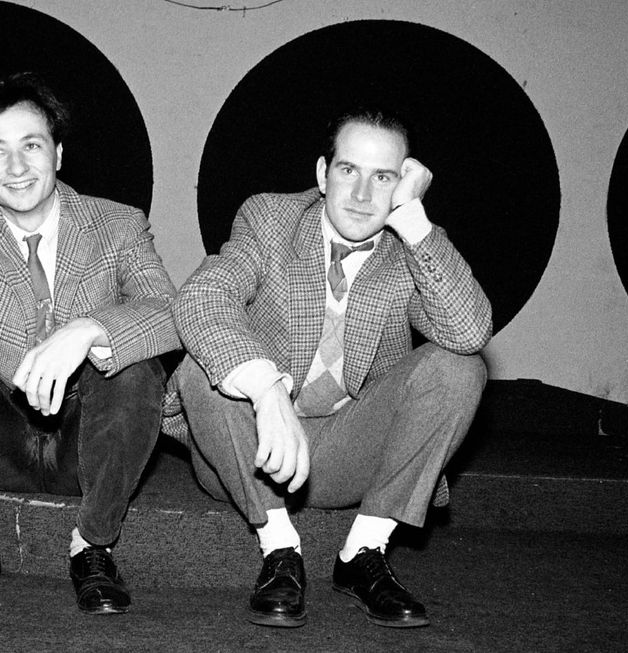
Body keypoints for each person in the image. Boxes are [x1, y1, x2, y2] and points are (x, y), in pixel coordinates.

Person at [171, 107, 492, 628]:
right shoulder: (270, 219)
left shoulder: (412, 244)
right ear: (323, 174)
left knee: (460, 367)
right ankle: (279, 551)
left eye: (382, 177)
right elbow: (204, 296)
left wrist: (412, 220)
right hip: (247, 449)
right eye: (349, 171)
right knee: (198, 367)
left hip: (345, 452)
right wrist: (266, 392)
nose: (363, 195)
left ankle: (363, 554)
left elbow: (470, 332)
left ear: (403, 184)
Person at [0, 72, 179, 615]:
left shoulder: (116, 224)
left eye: (31, 146)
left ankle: (92, 547)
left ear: (59, 154)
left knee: (135, 365)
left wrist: (89, 329)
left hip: (85, 439)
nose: (17, 167)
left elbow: (171, 315)